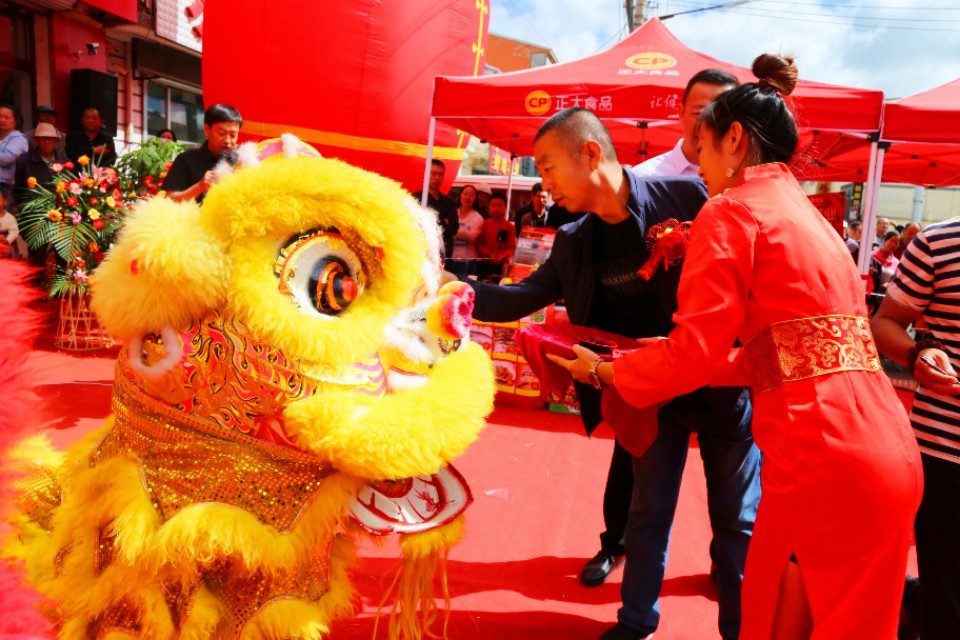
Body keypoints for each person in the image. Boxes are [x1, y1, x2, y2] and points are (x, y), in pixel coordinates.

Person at [551, 54, 922, 640]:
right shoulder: (813, 218)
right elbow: (788, 352)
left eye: (702, 149)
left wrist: (610, 373)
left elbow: (694, 352)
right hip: (886, 452)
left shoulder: (731, 211)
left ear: (734, 138)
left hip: (818, 460)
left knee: (775, 618)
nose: (698, 168)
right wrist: (644, 362)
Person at [459, 107, 759, 640]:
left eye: (549, 168)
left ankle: (743, 630)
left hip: (720, 383)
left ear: (592, 153)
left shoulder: (689, 200)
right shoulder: (575, 239)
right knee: (647, 512)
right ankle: (635, 621)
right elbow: (517, 300)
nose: (544, 184)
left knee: (736, 522)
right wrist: (454, 292)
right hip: (649, 392)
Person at [584, 67, 737, 592]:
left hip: (721, 363)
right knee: (634, 463)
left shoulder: (745, 189)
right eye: (701, 111)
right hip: (655, 354)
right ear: (682, 113)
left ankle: (726, 564)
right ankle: (613, 544)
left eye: (722, 112)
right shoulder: (646, 177)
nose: (710, 123)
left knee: (733, 486)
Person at [872, 218, 960, 640]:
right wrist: (917, 355)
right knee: (949, 608)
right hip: (947, 451)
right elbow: (884, 322)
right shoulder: (939, 242)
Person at [631, 69, 739, 179]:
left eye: (723, 115)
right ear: (681, 112)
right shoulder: (644, 179)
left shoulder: (747, 178)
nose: (710, 125)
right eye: (700, 114)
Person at [163, 103, 242, 204]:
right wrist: (199, 187)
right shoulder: (186, 160)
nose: (227, 140)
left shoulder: (240, 161)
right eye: (222, 133)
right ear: (207, 130)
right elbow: (169, 200)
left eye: (233, 135)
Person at [413, 159, 459, 258]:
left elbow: (453, 228)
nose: (437, 177)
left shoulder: (449, 202)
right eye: (433, 174)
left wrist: (435, 223)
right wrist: (443, 222)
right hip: (422, 253)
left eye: (440, 174)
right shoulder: (415, 198)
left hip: (445, 255)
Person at [15, 123, 68, 208]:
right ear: (36, 141)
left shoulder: (64, 162)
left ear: (55, 141)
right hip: (33, 210)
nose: (47, 142)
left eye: (51, 139)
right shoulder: (24, 161)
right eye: (43, 138)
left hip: (59, 210)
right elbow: (18, 189)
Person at [475, 193, 516, 280]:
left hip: (502, 265)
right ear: (489, 206)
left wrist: (504, 255)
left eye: (500, 205)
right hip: (485, 263)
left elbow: (512, 247)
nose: (496, 208)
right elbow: (479, 244)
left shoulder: (510, 226)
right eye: (493, 205)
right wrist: (489, 254)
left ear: (505, 207)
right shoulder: (484, 224)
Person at [0, 104, 28, 201]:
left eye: (7, 117)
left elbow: (6, 159)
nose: (2, 120)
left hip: (6, 185)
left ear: (15, 121)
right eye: (0, 116)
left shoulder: (19, 139)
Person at [451, 185, 484, 260]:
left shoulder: (478, 218)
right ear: (460, 196)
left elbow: (471, 237)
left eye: (471, 195)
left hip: (467, 259)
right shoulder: (452, 212)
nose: (467, 197)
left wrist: (453, 231)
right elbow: (445, 230)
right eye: (465, 194)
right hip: (450, 256)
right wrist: (463, 233)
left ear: (475, 199)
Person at [0, 189, 26, 258]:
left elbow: (14, 231)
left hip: (6, 245)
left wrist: (8, 240)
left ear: (5, 202)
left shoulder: (10, 218)